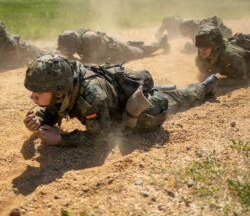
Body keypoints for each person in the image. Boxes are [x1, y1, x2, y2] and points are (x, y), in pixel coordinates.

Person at [23, 54, 218, 147]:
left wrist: (61, 139)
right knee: (164, 93)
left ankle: (205, 87)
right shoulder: (65, 87)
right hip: (116, 95)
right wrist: (39, 121)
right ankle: (161, 90)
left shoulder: (92, 97)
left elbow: (100, 135)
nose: (33, 97)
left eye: (38, 92)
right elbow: (53, 109)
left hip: (135, 112)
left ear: (58, 90)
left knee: (179, 98)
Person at [57, 28, 170, 63]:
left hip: (119, 51)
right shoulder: (79, 39)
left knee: (141, 51)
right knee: (132, 45)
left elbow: (89, 62)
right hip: (111, 46)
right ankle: (131, 43)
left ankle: (161, 43)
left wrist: (72, 60)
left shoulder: (89, 39)